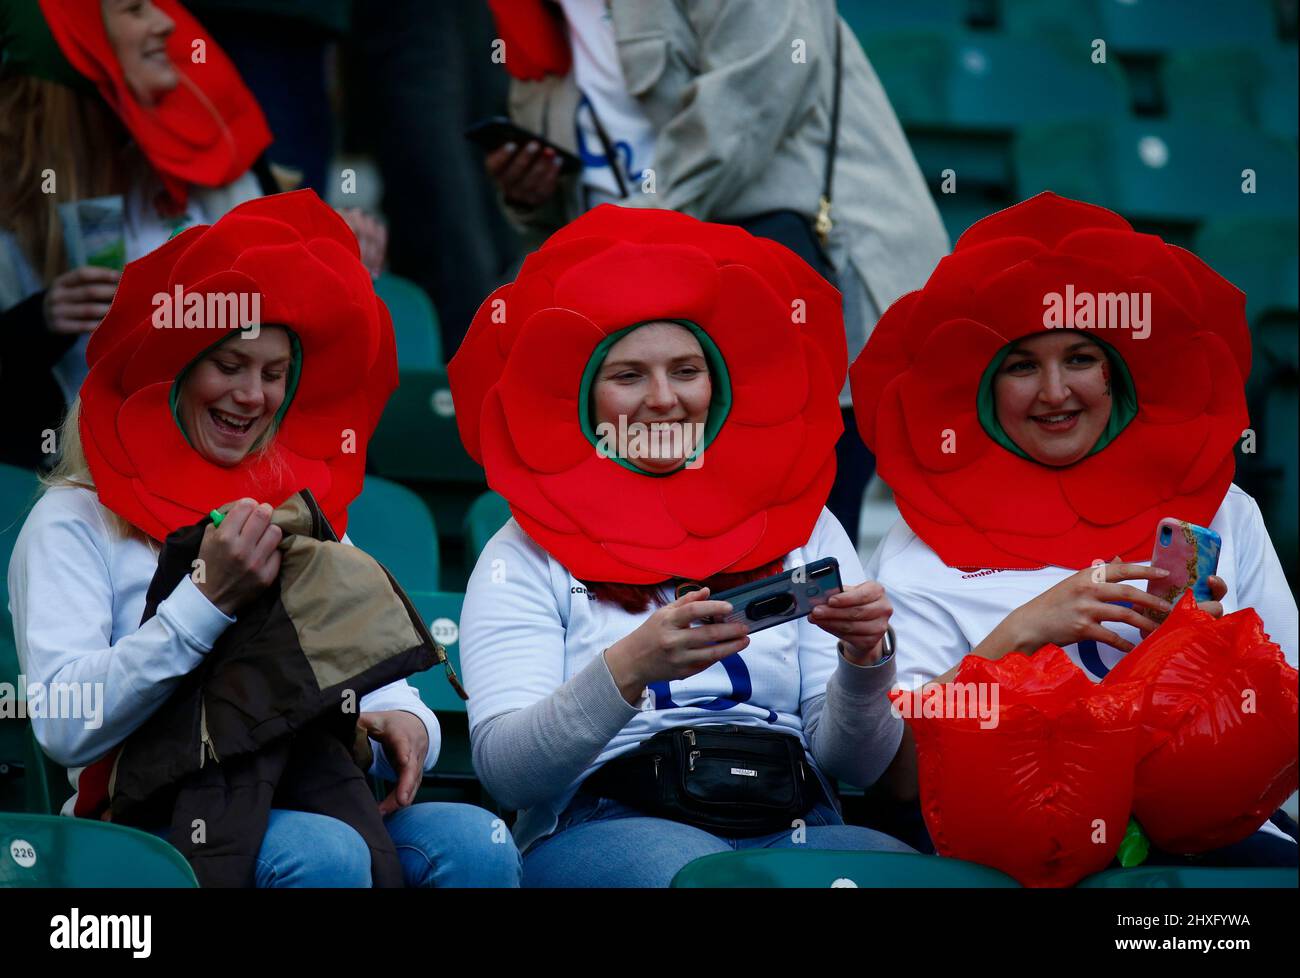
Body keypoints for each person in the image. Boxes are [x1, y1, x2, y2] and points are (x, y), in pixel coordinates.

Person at [7, 191, 520, 887]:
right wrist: (207, 601)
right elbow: (68, 729)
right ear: (174, 371)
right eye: (228, 365)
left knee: (476, 840)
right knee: (323, 853)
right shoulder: (72, 520)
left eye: (274, 374)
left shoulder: (299, 509)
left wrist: (409, 726)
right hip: (146, 810)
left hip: (312, 787)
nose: (253, 395)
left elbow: (378, 684)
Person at [449, 204, 912, 887]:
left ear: (718, 383)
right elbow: (507, 770)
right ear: (584, 395)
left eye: (687, 371)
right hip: (606, 819)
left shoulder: (804, 525)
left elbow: (857, 764)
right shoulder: (524, 552)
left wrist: (864, 658)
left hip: (793, 815)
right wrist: (630, 666)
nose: (664, 399)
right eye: (628, 375)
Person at [851, 192, 1298, 866]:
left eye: (1081, 358)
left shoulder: (1223, 508)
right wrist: (1023, 633)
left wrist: (1213, 655)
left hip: (1206, 837)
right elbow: (899, 776)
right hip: (1012, 849)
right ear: (981, 387)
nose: (1056, 392)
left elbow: (1288, 710)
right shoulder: (918, 545)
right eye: (1022, 366)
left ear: (1118, 374)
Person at [480, 0, 949, 550]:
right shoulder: (525, 15)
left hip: (800, 288)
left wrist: (615, 240)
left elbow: (745, 113)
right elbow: (572, 196)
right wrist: (530, 193)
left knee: (797, 549)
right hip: (641, 311)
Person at [0, 0, 385, 469]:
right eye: (136, 10)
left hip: (238, 474)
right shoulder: (17, 206)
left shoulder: (226, 168)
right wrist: (35, 325)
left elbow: (288, 356)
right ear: (74, 42)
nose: (166, 23)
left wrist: (340, 273)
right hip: (84, 482)